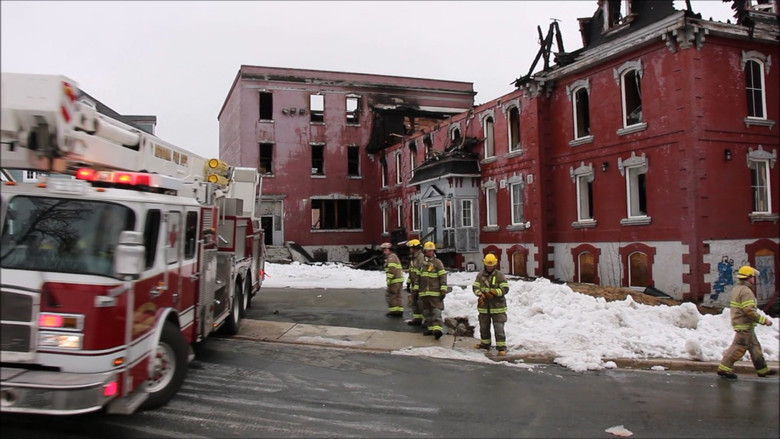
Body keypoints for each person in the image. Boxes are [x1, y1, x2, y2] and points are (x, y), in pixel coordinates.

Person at [717, 265, 776, 379]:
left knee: (755, 348)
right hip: (744, 325)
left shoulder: (738, 289)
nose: (754, 280)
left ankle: (762, 370)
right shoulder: (746, 291)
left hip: (744, 324)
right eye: (753, 277)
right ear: (748, 277)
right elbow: (749, 310)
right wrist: (763, 320)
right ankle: (724, 369)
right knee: (738, 348)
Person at [472, 253, 510, 355]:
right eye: (488, 265)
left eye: (491, 265)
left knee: (499, 328)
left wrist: (495, 292)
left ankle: (501, 347)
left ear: (495, 265)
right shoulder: (480, 275)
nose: (489, 267)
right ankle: (485, 344)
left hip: (497, 307)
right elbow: (475, 287)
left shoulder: (499, 275)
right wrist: (480, 294)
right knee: (484, 327)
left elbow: (505, 289)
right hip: (484, 307)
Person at [418, 241, 447, 339]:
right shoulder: (422, 264)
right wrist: (416, 288)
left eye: (431, 251)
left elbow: (442, 276)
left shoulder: (437, 263)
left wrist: (443, 289)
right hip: (424, 293)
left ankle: (437, 330)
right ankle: (430, 328)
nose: (430, 253)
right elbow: (418, 277)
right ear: (425, 251)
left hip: (435, 292)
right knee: (426, 312)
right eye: (428, 251)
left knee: (436, 311)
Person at [381, 242, 404, 317]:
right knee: (398, 296)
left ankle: (394, 311)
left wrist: (389, 280)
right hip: (399, 280)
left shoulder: (391, 258)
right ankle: (399, 310)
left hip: (394, 281)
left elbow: (391, 269)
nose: (384, 252)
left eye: (385, 250)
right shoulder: (394, 256)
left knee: (391, 295)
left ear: (389, 250)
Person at [405, 239, 425, 326]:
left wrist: (417, 286)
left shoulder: (421, 257)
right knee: (414, 302)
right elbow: (411, 271)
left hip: (420, 285)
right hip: (414, 284)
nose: (410, 249)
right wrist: (408, 282)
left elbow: (420, 273)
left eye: (411, 248)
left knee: (421, 303)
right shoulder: (413, 258)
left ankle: (427, 321)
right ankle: (417, 319)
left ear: (415, 248)